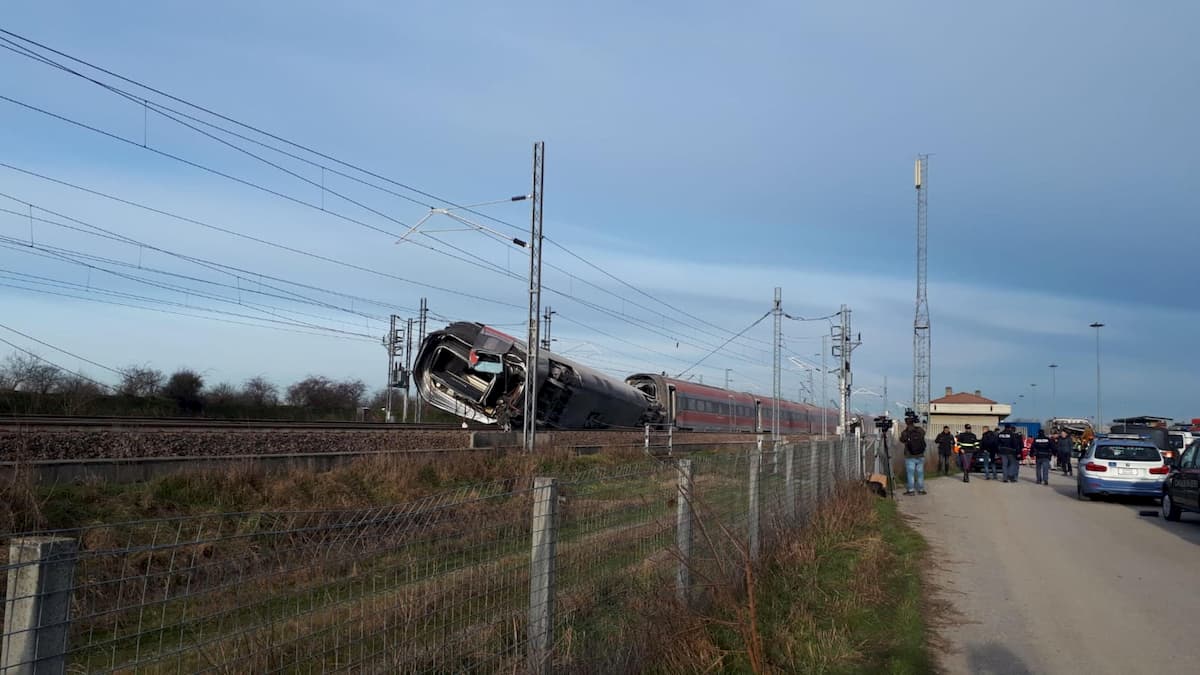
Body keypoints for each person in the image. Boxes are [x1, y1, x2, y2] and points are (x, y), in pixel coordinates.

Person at [899, 417, 928, 496]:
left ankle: (911, 490)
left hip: (910, 456)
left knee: (910, 474)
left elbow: (902, 440)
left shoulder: (905, 432)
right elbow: (924, 433)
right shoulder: (920, 430)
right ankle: (921, 490)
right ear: (913, 422)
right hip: (920, 455)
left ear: (906, 423)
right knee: (920, 473)